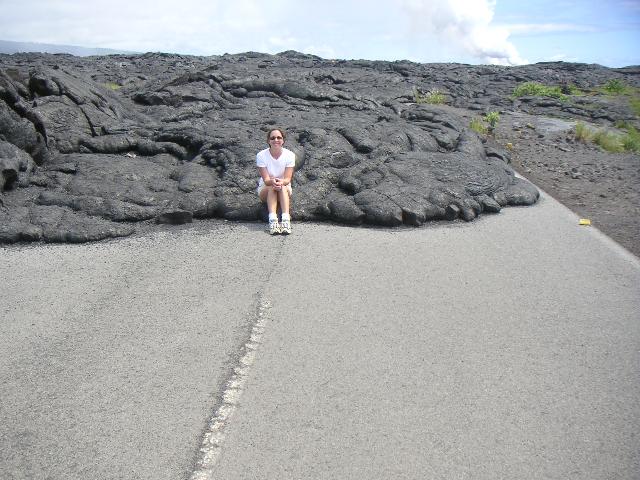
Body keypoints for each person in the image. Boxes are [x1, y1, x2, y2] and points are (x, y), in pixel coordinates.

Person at [257, 128, 295, 235]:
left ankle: (286, 221)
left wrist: (280, 182)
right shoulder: (261, 155)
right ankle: (273, 221)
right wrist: (273, 181)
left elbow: (287, 179)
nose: (276, 140)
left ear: (283, 140)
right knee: (271, 187)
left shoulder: (290, 155)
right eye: (273, 138)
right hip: (266, 189)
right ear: (268, 141)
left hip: (284, 188)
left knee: (282, 187)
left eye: (279, 137)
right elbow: (266, 180)